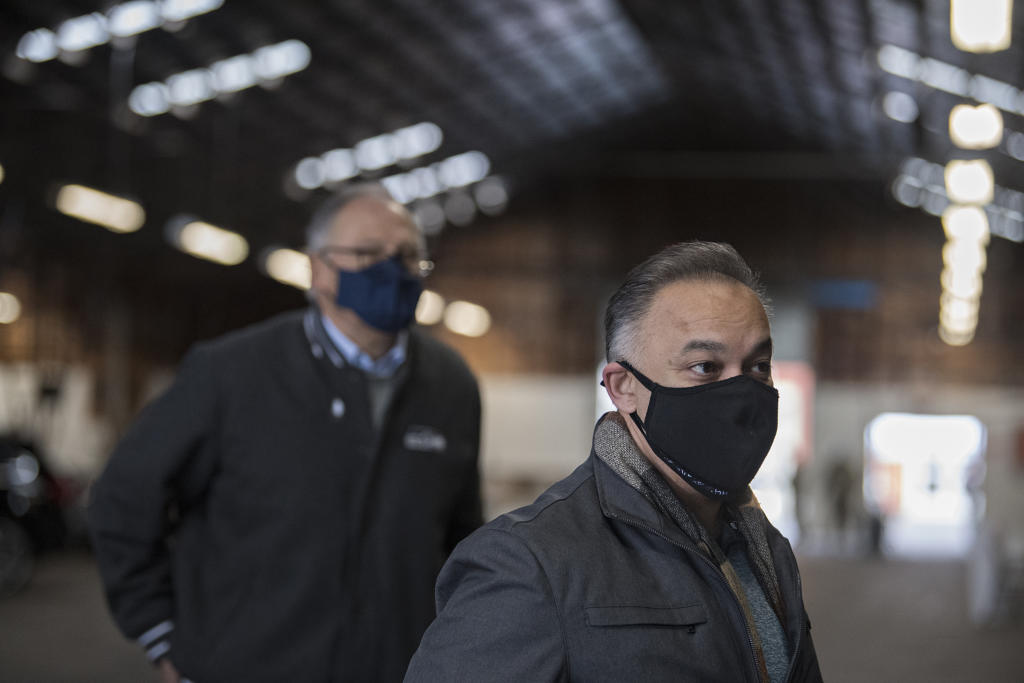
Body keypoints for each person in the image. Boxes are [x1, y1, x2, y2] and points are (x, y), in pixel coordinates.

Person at [88, 184, 482, 683]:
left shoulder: (452, 385)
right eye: (366, 253)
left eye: (407, 256)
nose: (392, 268)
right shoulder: (230, 373)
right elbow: (123, 497)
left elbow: (463, 536)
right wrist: (160, 632)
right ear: (317, 270)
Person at [405, 241, 822, 682]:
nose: (742, 394)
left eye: (758, 366)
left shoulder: (764, 549)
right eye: (705, 367)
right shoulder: (530, 564)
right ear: (623, 387)